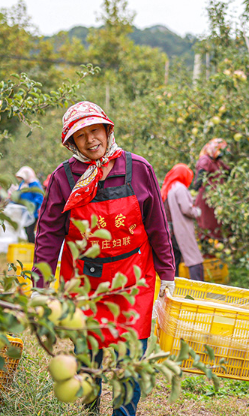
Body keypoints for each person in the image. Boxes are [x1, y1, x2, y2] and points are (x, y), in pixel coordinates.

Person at [32, 101, 175, 416]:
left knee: (130, 354)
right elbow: (49, 233)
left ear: (107, 129)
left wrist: (167, 274)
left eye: (94, 130)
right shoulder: (63, 178)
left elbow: (157, 225)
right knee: (87, 353)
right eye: (80, 135)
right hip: (85, 279)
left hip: (133, 278)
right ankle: (89, 408)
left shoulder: (138, 169)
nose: (90, 140)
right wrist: (40, 284)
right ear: (72, 142)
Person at [161, 163, 204, 280]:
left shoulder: (169, 187)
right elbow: (186, 209)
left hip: (171, 231)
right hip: (181, 229)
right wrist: (197, 211)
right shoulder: (179, 188)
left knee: (174, 261)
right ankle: (199, 287)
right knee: (194, 259)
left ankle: (173, 289)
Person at [192, 138, 230, 240]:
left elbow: (229, 171)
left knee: (218, 224)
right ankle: (208, 249)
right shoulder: (205, 160)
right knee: (208, 224)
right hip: (206, 199)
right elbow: (200, 177)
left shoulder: (216, 161)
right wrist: (195, 190)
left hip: (216, 198)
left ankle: (217, 248)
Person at [15, 166, 44, 243]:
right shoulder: (23, 184)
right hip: (24, 212)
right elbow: (18, 194)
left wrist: (32, 206)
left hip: (33, 213)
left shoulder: (34, 184)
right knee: (25, 230)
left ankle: (33, 246)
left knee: (29, 230)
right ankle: (31, 245)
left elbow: (39, 197)